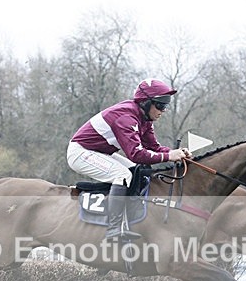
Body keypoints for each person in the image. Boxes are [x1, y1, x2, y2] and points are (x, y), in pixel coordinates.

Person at [67, 79, 192, 239]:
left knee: (137, 172)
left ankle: (129, 218)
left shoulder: (144, 119)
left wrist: (176, 152)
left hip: (99, 152)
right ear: (146, 103)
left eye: (165, 106)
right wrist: (168, 156)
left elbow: (154, 148)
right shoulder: (126, 118)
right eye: (160, 105)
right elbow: (136, 154)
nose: (163, 110)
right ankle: (113, 228)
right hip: (80, 152)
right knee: (123, 175)